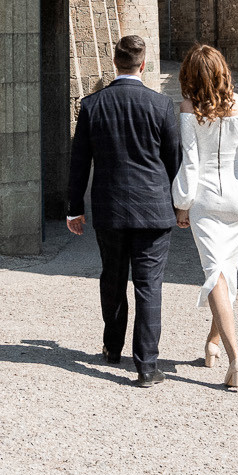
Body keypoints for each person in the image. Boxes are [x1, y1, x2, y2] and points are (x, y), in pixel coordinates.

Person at [66, 33, 182, 387]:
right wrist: (181, 205)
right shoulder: (161, 106)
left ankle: (112, 347)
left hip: (110, 208)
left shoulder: (92, 105)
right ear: (143, 65)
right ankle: (147, 366)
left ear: (114, 63)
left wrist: (74, 209)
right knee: (149, 285)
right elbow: (175, 161)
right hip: (153, 210)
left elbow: (79, 163)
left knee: (112, 279)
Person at [172, 43, 238, 393]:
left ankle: (235, 358)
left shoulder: (187, 108)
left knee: (215, 273)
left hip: (206, 200)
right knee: (227, 270)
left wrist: (181, 203)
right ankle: (212, 342)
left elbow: (191, 163)